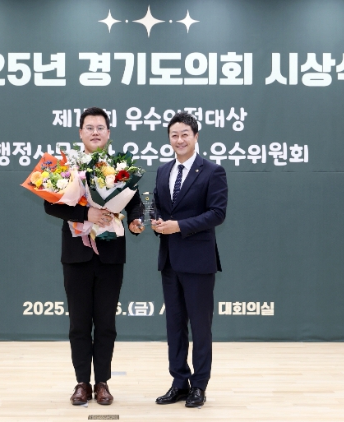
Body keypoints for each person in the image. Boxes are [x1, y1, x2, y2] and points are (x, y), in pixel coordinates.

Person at [43, 107, 144, 406]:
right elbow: (50, 205)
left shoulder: (121, 166)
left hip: (111, 255)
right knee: (78, 323)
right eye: (90, 127)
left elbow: (134, 202)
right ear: (81, 132)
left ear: (108, 133)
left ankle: (102, 383)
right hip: (77, 255)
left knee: (105, 323)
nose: (95, 132)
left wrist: (136, 220)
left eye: (100, 127)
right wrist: (85, 213)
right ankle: (81, 383)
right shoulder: (67, 165)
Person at [151, 111, 228, 408]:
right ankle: (179, 382)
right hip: (170, 260)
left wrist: (179, 226)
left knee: (200, 327)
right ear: (169, 139)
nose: (179, 140)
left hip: (198, 261)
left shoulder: (212, 171)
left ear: (196, 136)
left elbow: (217, 213)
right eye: (174, 135)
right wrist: (156, 222)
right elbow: (158, 206)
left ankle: (199, 385)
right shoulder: (163, 171)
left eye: (185, 134)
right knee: (174, 325)